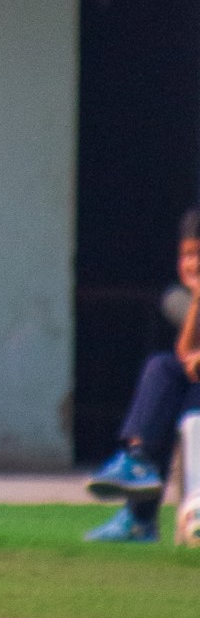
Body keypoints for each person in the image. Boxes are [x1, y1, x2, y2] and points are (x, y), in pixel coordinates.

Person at [83, 208, 200, 543]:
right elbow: (185, 353)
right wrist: (197, 301)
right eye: (188, 254)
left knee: (188, 396)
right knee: (164, 370)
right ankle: (138, 467)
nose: (193, 264)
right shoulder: (178, 297)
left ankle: (142, 514)